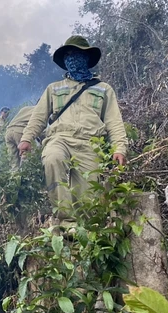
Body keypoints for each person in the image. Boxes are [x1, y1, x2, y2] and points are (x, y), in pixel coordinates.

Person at [18, 35, 128, 226]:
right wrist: (27, 138)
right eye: (68, 55)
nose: (72, 58)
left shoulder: (103, 89)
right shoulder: (54, 88)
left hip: (90, 143)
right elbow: (39, 117)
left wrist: (119, 148)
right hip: (59, 138)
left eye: (76, 54)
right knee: (53, 158)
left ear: (86, 57)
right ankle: (66, 221)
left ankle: (85, 229)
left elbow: (114, 121)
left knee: (87, 199)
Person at [5, 106, 35, 171]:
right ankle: (24, 174)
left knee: (13, 159)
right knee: (26, 154)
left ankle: (14, 177)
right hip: (20, 130)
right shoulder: (40, 110)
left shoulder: (25, 108)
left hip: (8, 132)